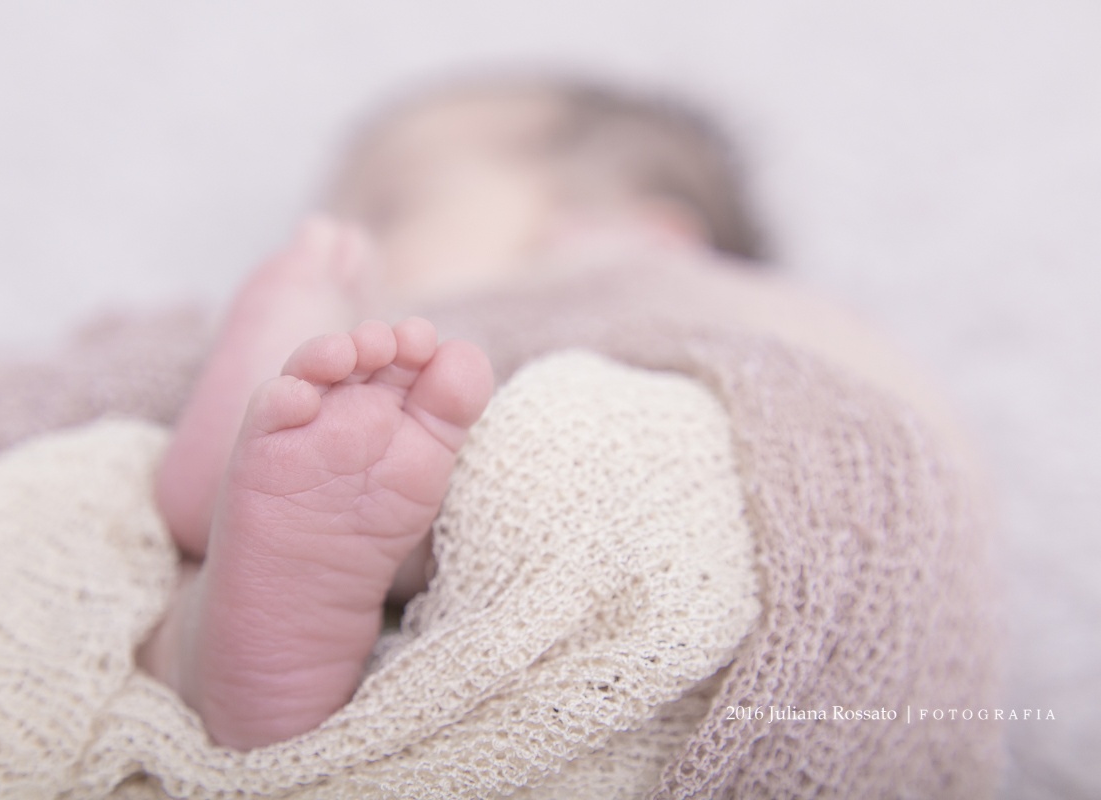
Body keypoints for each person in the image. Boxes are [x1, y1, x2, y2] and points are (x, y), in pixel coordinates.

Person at [137, 75, 966, 751]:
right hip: (827, 695)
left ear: (636, 226)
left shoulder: (646, 287)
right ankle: (226, 633)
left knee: (466, 425)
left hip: (742, 496)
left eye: (387, 214)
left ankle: (241, 548)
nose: (350, 253)